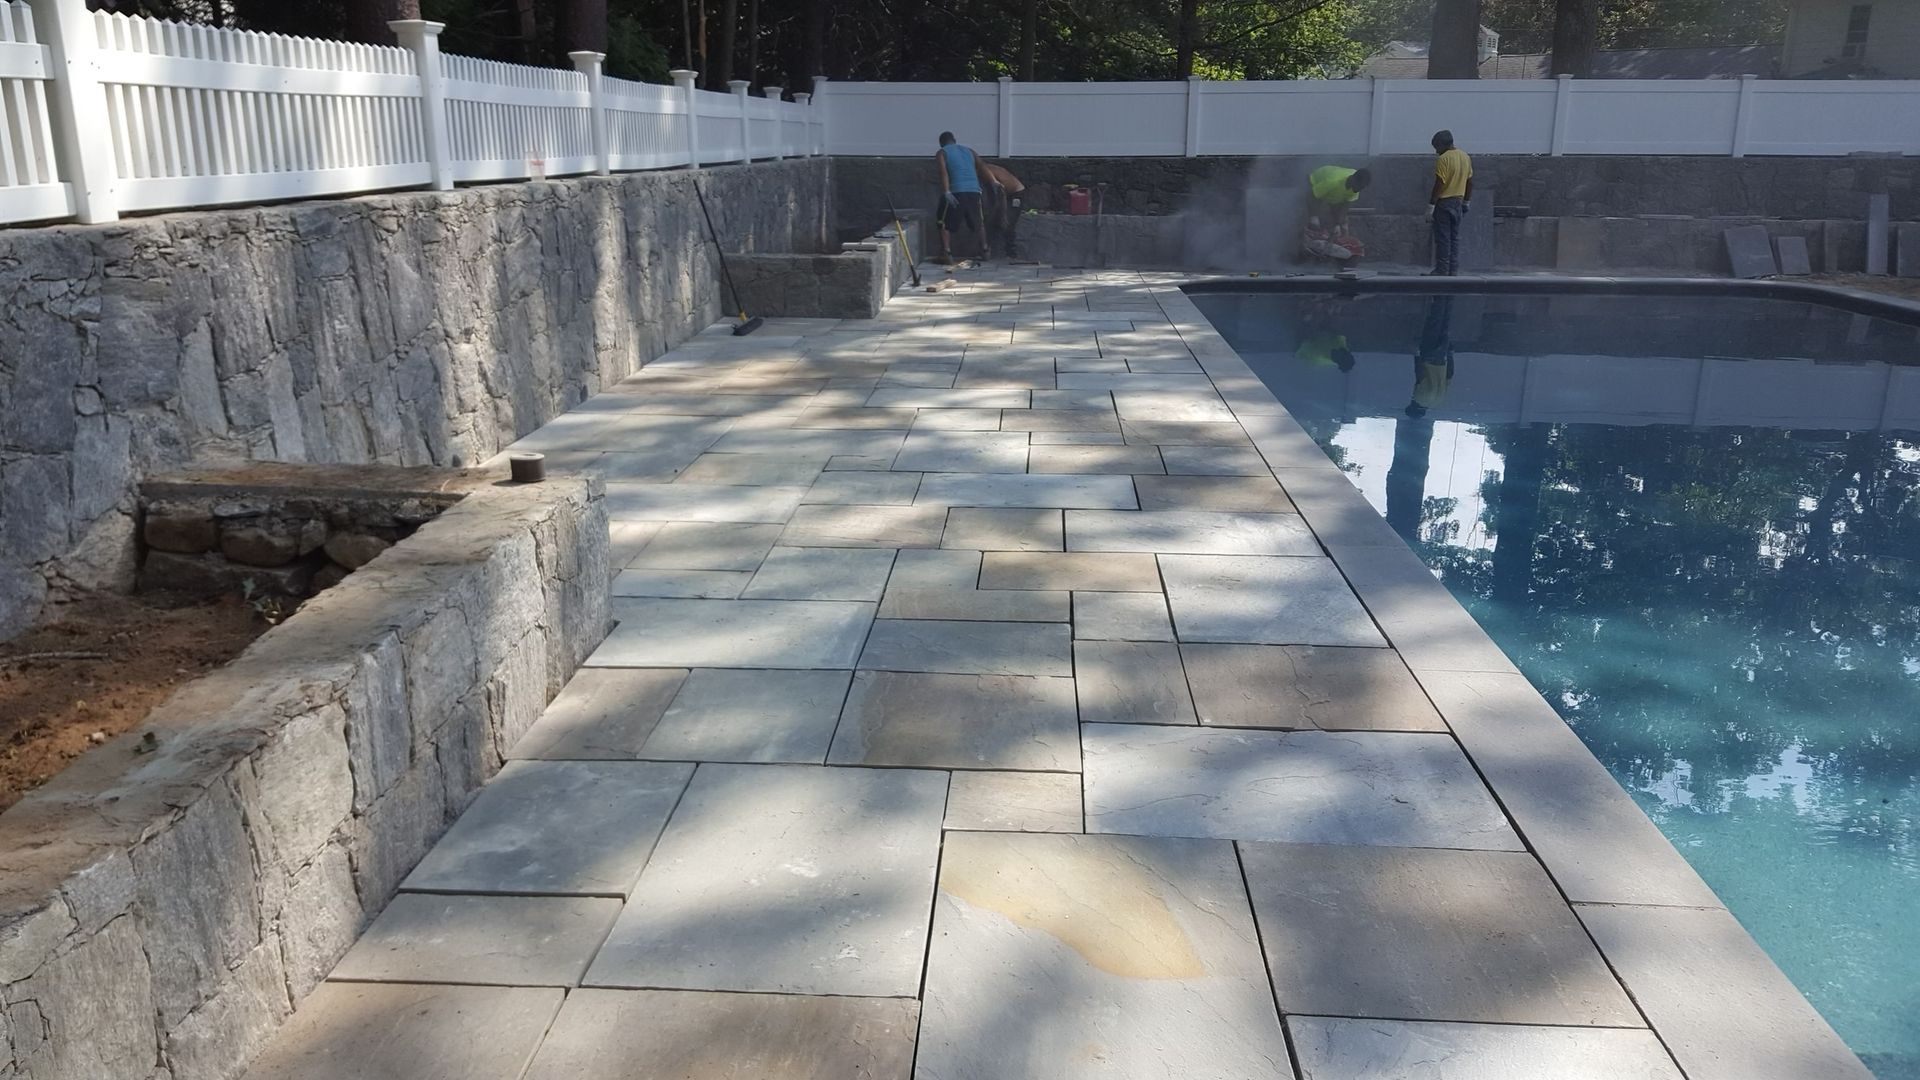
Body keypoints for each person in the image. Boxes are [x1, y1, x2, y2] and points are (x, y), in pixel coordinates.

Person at [934, 131, 992, 262]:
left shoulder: (942, 153)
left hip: (956, 192)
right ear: (954, 140)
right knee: (978, 222)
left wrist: (947, 192)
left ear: (941, 143)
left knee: (943, 222)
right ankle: (985, 250)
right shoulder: (970, 151)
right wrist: (993, 182)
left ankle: (946, 253)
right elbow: (982, 166)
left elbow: (943, 172)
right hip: (974, 191)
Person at [1428, 130, 1474, 276]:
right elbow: (1469, 182)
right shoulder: (1465, 156)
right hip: (1458, 202)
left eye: (1436, 147)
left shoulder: (1443, 159)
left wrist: (1431, 205)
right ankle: (1453, 270)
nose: (1436, 151)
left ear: (1442, 144)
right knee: (1454, 238)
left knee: (1443, 238)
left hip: (1444, 203)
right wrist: (1467, 202)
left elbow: (1440, 183)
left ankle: (1442, 270)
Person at [1304, 165, 1371, 261]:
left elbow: (1345, 206)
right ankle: (1306, 247)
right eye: (1360, 186)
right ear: (1352, 179)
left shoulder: (1357, 185)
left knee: (1342, 227)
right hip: (1315, 185)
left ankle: (1334, 254)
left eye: (1362, 188)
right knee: (1314, 223)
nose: (1360, 190)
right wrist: (1313, 216)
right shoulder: (1333, 181)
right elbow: (1312, 196)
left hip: (1335, 195)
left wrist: (1337, 224)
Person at [982, 161, 1025, 259]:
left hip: (1016, 194)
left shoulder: (985, 172)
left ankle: (1011, 252)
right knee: (991, 219)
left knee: (1008, 222)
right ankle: (987, 248)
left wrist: (1003, 214)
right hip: (1006, 193)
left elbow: (1001, 193)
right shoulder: (984, 169)